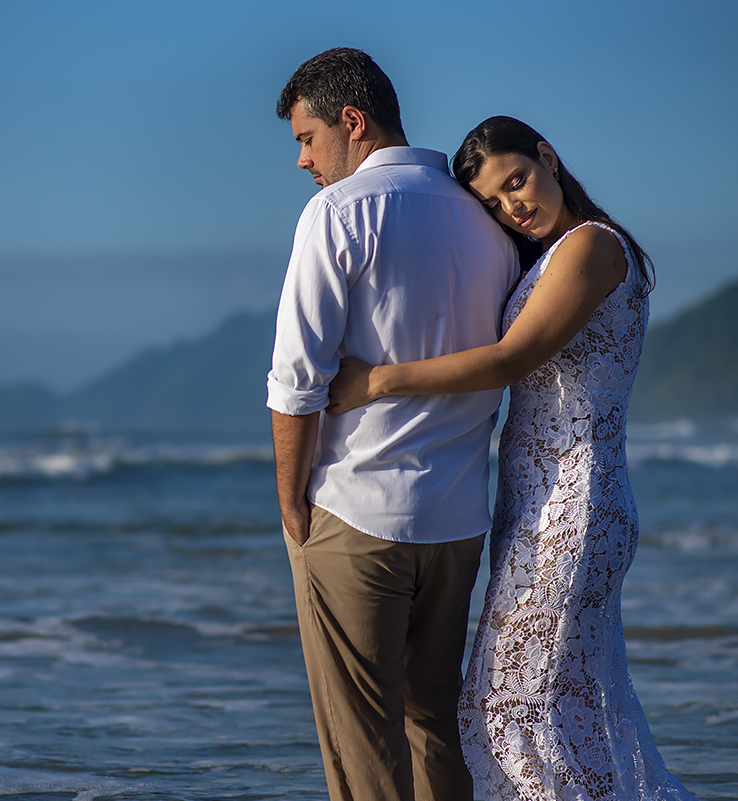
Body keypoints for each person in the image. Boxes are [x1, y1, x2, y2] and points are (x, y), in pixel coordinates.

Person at [327, 116, 698, 800]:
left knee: (508, 708)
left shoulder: (591, 247)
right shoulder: (557, 252)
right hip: (541, 503)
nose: (513, 206)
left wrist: (375, 381)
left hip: (571, 506)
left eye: (517, 181)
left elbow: (510, 359)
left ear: (548, 157)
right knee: (573, 706)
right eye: (494, 204)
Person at [267, 50, 519, 801]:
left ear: (353, 121)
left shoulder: (338, 213)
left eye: (307, 139)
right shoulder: (487, 222)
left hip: (358, 511)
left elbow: (297, 379)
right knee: (432, 724)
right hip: (456, 520)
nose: (304, 162)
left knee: (362, 742)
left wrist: (290, 504)